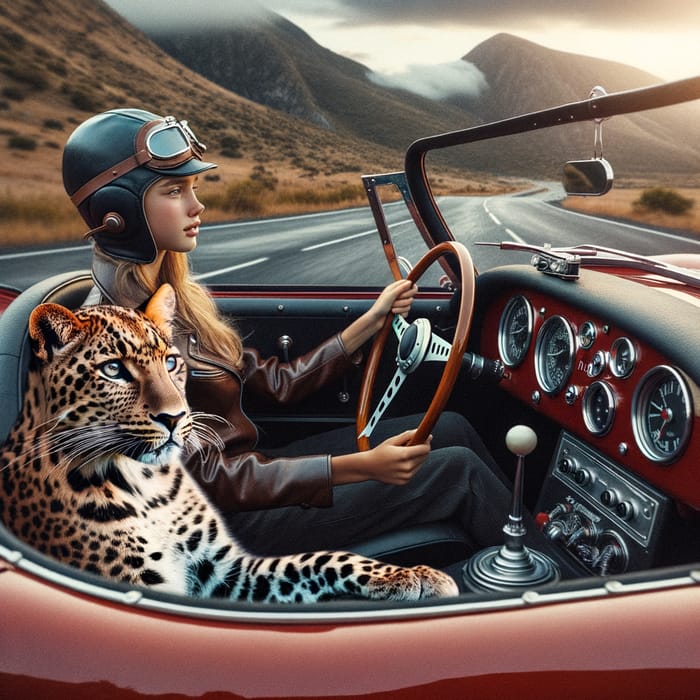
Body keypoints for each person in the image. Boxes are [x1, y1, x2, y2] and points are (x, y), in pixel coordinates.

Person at [61, 108, 521, 558]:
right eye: (174, 190)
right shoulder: (114, 335)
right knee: (457, 472)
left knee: (451, 427)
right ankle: (553, 588)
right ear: (119, 211)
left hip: (249, 474)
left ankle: (531, 540)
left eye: (194, 187)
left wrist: (372, 320)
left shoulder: (173, 299)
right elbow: (206, 480)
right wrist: (357, 468)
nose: (196, 205)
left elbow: (277, 384)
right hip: (225, 522)